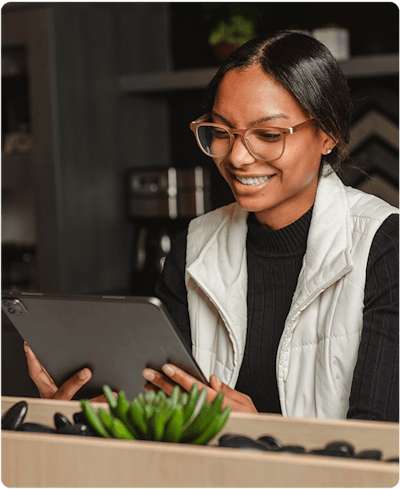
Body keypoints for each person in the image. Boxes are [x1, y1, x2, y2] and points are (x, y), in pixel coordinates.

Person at [25, 31, 399, 420]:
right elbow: (164, 411)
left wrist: (262, 434)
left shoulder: (385, 245)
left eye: (268, 135)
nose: (237, 157)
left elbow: (381, 442)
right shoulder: (193, 245)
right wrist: (89, 412)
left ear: (329, 134)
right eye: (221, 133)